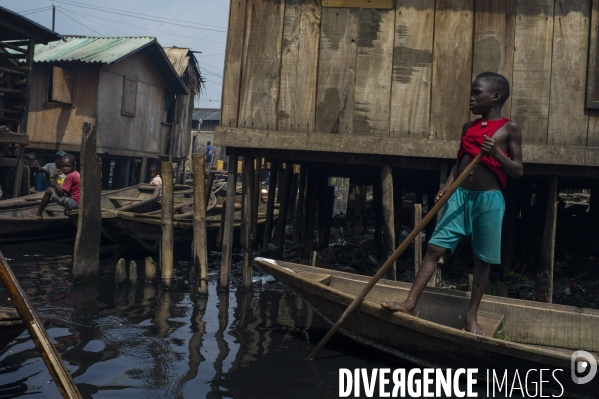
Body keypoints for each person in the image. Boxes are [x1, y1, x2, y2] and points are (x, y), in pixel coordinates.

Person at [381, 72, 523, 336]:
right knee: (434, 249)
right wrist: (447, 186)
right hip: (459, 196)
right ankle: (409, 303)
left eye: (476, 93)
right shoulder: (468, 128)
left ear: (495, 97)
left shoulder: (509, 128)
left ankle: (471, 317)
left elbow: (517, 170)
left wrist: (495, 154)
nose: (470, 98)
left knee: (482, 260)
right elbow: (460, 161)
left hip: (489, 200)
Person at [28, 154, 80, 219]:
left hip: (74, 204)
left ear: (74, 166)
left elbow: (60, 193)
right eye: (63, 166)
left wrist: (54, 177)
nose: (65, 168)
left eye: (68, 166)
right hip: (78, 202)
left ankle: (39, 213)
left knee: (49, 190)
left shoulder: (71, 176)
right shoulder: (77, 174)